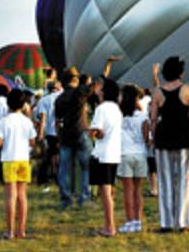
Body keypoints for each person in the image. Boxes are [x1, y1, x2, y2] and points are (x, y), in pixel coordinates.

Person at [149, 57, 189, 232]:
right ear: (181, 72)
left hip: (163, 138)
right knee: (184, 180)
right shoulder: (188, 90)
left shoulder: (157, 92)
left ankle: (167, 223)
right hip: (184, 138)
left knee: (165, 181)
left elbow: (153, 119)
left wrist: (153, 137)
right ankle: (183, 222)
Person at [0, 89, 36, 239]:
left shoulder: (4, 121)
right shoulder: (27, 121)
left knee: (11, 196)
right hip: (24, 159)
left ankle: (9, 231)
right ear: (23, 104)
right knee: (22, 195)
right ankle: (21, 230)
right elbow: (32, 141)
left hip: (9, 159)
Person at [88, 78, 123, 237]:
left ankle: (110, 227)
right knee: (109, 190)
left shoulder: (101, 108)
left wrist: (91, 131)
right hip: (114, 152)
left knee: (105, 192)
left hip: (102, 154)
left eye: (100, 86)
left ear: (104, 91)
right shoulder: (116, 108)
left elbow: (96, 132)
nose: (97, 88)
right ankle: (110, 225)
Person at [55, 69, 93, 210]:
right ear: (76, 80)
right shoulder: (79, 93)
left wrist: (59, 136)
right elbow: (94, 86)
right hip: (81, 132)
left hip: (66, 135)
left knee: (64, 169)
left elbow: (57, 121)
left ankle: (66, 199)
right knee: (86, 167)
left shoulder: (59, 99)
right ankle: (84, 198)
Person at [117, 84, 149, 233]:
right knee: (138, 190)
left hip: (124, 154)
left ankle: (129, 221)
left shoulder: (118, 115)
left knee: (127, 191)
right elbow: (145, 137)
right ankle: (138, 221)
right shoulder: (143, 116)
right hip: (140, 154)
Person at [34, 73, 62, 188]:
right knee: (59, 155)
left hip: (51, 132)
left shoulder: (44, 100)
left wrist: (40, 134)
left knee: (49, 155)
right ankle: (58, 176)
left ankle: (43, 178)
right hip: (63, 131)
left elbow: (43, 118)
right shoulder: (63, 97)